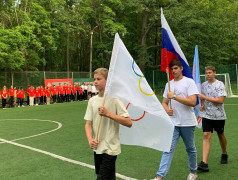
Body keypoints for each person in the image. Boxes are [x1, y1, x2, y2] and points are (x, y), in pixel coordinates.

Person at [84, 68, 132, 180]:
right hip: (97, 147)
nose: (95, 81)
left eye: (99, 79)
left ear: (107, 81)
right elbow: (88, 124)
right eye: (94, 79)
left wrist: (108, 114)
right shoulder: (92, 100)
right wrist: (90, 140)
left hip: (110, 148)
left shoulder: (114, 99)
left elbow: (129, 122)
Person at [155, 59, 198, 180]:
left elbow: (193, 102)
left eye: (176, 68)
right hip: (173, 123)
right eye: (172, 69)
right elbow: (164, 102)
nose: (174, 71)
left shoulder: (189, 82)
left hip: (187, 122)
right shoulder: (169, 84)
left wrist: (174, 96)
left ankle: (193, 172)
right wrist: (166, 109)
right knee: (167, 149)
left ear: (181, 68)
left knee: (190, 148)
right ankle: (160, 177)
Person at [197, 66, 228, 172]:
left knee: (220, 134)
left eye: (210, 72)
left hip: (219, 116)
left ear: (214, 73)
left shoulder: (220, 84)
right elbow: (202, 98)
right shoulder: (204, 85)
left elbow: (220, 100)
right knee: (206, 135)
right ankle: (204, 163)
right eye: (206, 73)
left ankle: (224, 153)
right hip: (207, 115)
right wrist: (202, 105)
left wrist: (204, 98)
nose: (208, 75)